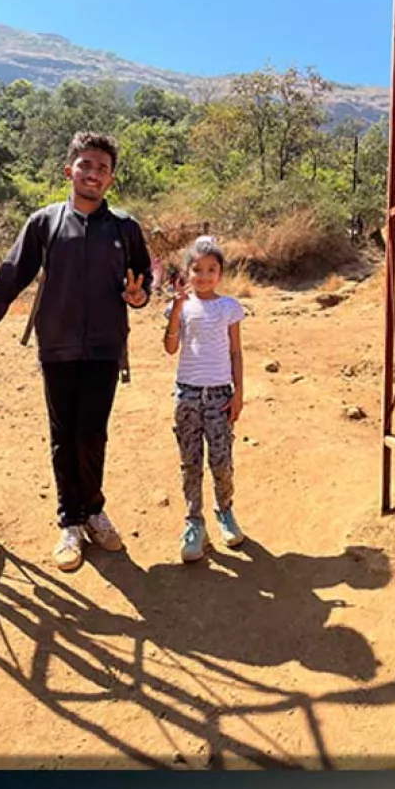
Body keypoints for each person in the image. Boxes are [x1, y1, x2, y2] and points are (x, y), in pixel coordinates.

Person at [0, 132, 153, 573]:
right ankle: (70, 523)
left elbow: (142, 284)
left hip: (104, 347)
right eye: (86, 165)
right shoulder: (45, 223)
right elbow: (7, 281)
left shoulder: (125, 228)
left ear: (111, 180)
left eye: (102, 168)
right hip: (56, 348)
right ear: (69, 171)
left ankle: (94, 511)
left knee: (91, 433)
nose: (93, 174)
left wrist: (138, 297)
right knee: (63, 437)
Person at [163, 236, 247, 563]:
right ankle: (194, 523)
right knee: (190, 463)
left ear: (221, 273)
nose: (204, 276)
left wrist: (239, 393)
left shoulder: (229, 307)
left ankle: (224, 512)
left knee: (222, 461)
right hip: (187, 394)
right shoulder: (180, 308)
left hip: (219, 396)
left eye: (211, 269)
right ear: (186, 273)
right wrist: (176, 312)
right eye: (197, 269)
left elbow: (236, 352)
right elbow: (170, 348)